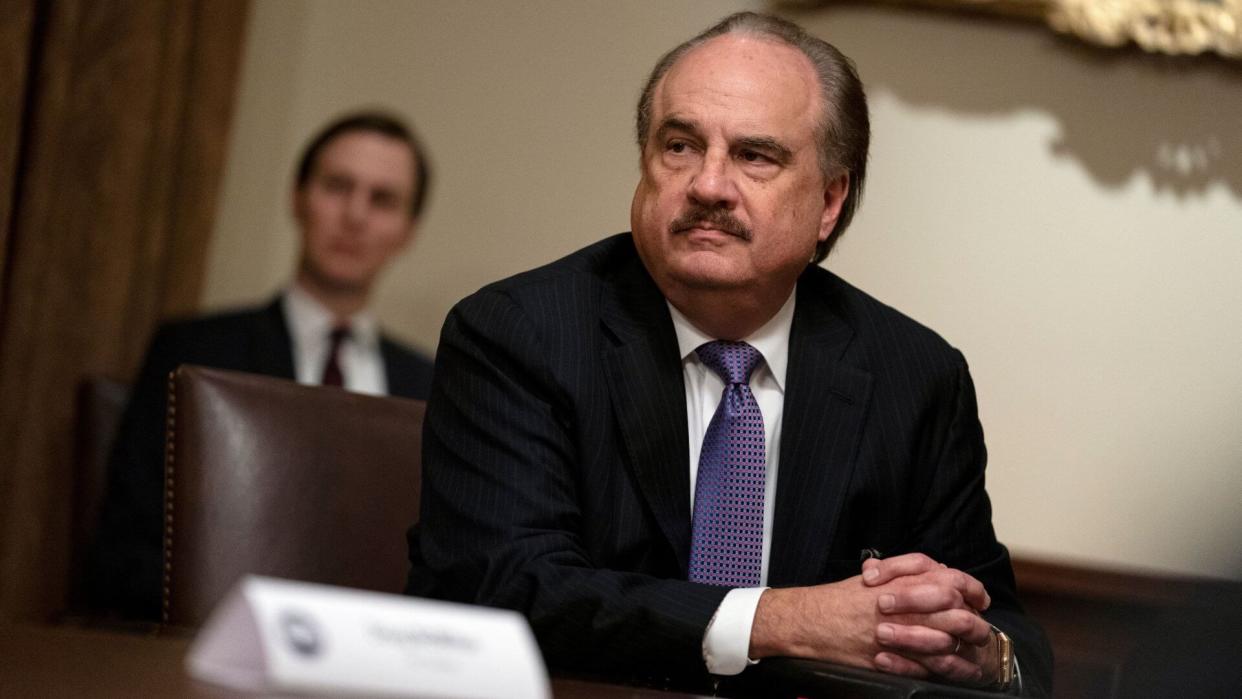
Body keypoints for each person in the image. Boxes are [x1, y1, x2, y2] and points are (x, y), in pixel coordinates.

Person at [407, 12, 1051, 696]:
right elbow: (505, 587)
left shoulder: (915, 376)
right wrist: (783, 619)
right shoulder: (520, 334)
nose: (708, 185)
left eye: (754, 155)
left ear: (830, 200)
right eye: (680, 146)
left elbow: (1010, 638)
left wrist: (979, 655)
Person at [87, 111, 435, 620]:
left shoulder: (432, 385)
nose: (356, 216)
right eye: (338, 186)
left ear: (408, 231)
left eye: (383, 200)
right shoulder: (195, 352)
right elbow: (126, 553)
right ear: (298, 199)